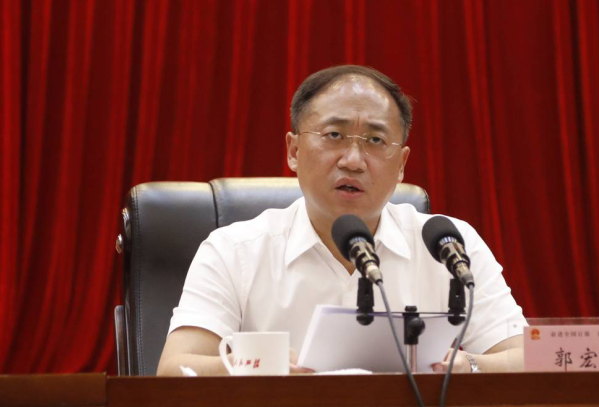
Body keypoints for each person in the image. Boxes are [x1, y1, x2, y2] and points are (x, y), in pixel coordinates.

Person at [157, 65, 526, 376]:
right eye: (334, 135)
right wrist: (261, 368)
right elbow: (175, 369)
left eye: (376, 140)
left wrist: (470, 366)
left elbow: (529, 358)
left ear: (401, 165)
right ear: (293, 151)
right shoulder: (234, 250)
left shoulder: (451, 246)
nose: (353, 160)